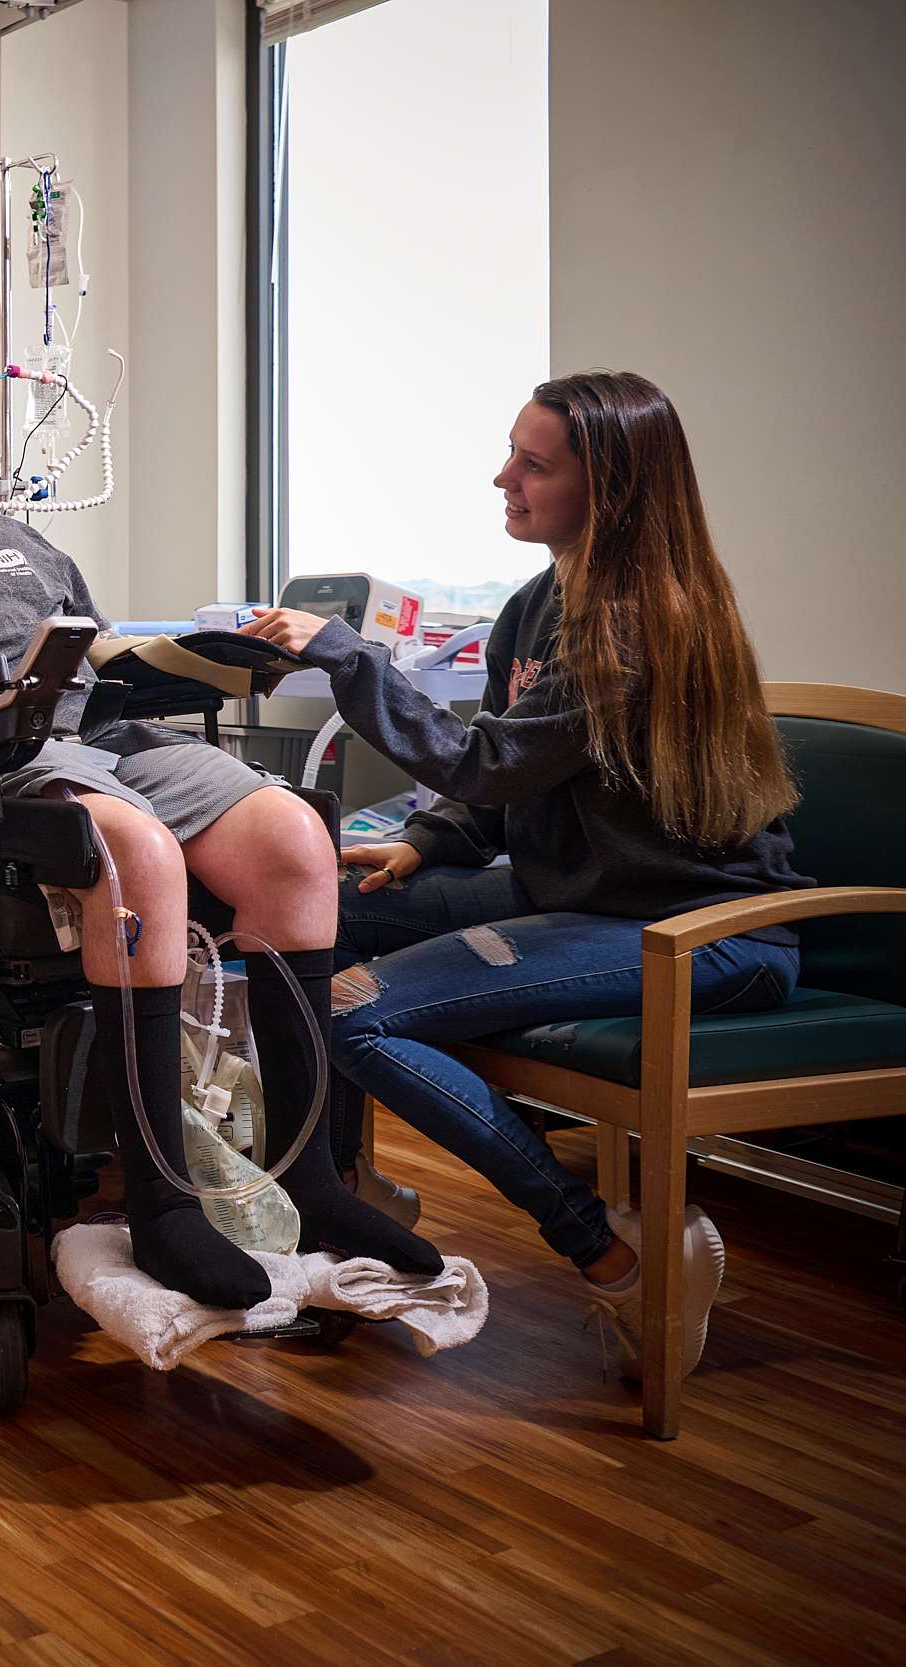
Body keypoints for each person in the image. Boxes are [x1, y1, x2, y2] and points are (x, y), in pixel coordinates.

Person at [0, 337, 441, 1310]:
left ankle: (311, 1179)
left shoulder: (9, 532)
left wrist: (210, 651)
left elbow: (97, 648)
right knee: (138, 850)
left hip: (99, 732)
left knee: (292, 838)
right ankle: (164, 1209)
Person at [244, 369, 810, 1382]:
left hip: (700, 928)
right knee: (306, 913)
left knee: (346, 1013)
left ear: (614, 489)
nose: (501, 476)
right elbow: (501, 775)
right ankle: (344, 1205)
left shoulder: (636, 621)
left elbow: (489, 759)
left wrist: (347, 656)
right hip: (587, 899)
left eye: (532, 463)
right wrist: (432, 840)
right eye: (512, 451)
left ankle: (608, 1251)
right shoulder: (540, 601)